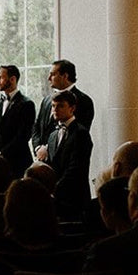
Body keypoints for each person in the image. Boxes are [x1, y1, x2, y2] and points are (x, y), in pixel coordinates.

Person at [44, 89, 93, 220]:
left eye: (60, 106)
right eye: (53, 106)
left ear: (72, 108)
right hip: (57, 201)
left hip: (75, 197)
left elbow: (76, 168)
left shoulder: (81, 133)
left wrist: (55, 189)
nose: (55, 109)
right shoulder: (52, 136)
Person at [33, 60, 95, 154]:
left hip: (66, 159)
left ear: (65, 76)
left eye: (53, 74)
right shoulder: (46, 100)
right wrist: (38, 148)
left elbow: (79, 135)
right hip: (42, 159)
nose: (49, 78)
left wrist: (48, 149)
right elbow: (36, 126)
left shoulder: (84, 101)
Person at [0, 65, 35, 175]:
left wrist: (3, 153)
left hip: (18, 162)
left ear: (12, 79)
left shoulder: (27, 104)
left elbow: (23, 135)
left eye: (1, 78)